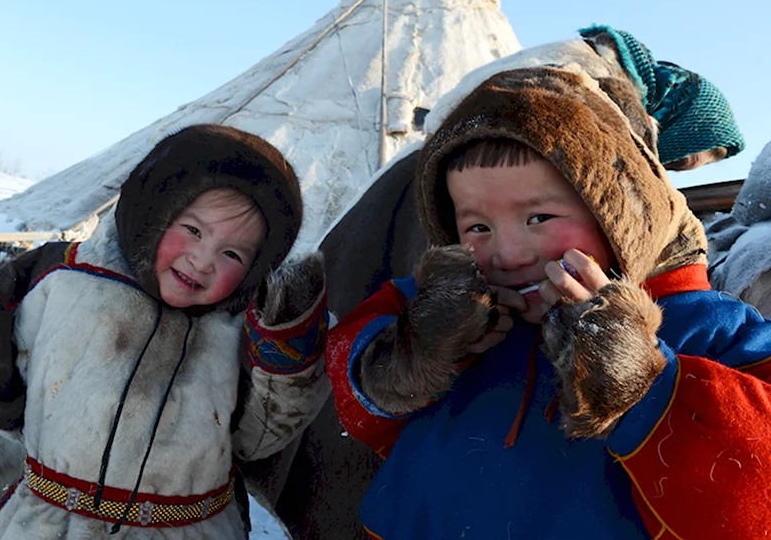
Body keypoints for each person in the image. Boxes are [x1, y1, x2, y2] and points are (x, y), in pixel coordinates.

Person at [0, 124, 331, 539]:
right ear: (153, 211)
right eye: (192, 230)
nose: (203, 259)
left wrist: (287, 347)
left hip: (190, 528)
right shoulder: (61, 277)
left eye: (233, 253)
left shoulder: (240, 326)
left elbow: (259, 436)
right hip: (47, 524)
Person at [325, 67, 771, 539]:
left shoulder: (700, 326)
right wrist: (411, 355)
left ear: (615, 213)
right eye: (478, 227)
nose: (510, 254)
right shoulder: (442, 312)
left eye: (539, 217)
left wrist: (643, 382)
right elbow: (352, 396)